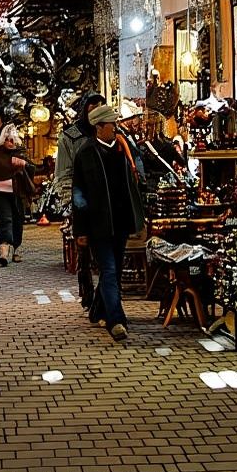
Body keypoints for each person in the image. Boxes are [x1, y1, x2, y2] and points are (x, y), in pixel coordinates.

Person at [70, 104, 145, 341]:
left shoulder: (123, 149)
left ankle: (99, 309)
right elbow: (78, 194)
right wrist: (80, 230)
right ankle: (116, 320)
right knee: (109, 270)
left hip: (121, 222)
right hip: (98, 224)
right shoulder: (86, 153)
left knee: (114, 271)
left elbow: (137, 173)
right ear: (99, 126)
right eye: (112, 124)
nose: (116, 128)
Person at [0, 123, 33, 266]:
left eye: (13, 140)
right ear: (3, 140)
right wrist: (12, 164)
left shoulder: (21, 153)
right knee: (5, 220)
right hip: (0, 193)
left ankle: (16, 249)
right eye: (7, 140)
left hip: (18, 193)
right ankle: (4, 252)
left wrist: (23, 164)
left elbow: (32, 168)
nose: (10, 143)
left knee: (18, 221)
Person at [54, 91, 106, 209]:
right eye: (94, 107)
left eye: (101, 107)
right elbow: (63, 176)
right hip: (82, 201)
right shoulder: (69, 137)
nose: (98, 112)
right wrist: (70, 204)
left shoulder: (107, 133)